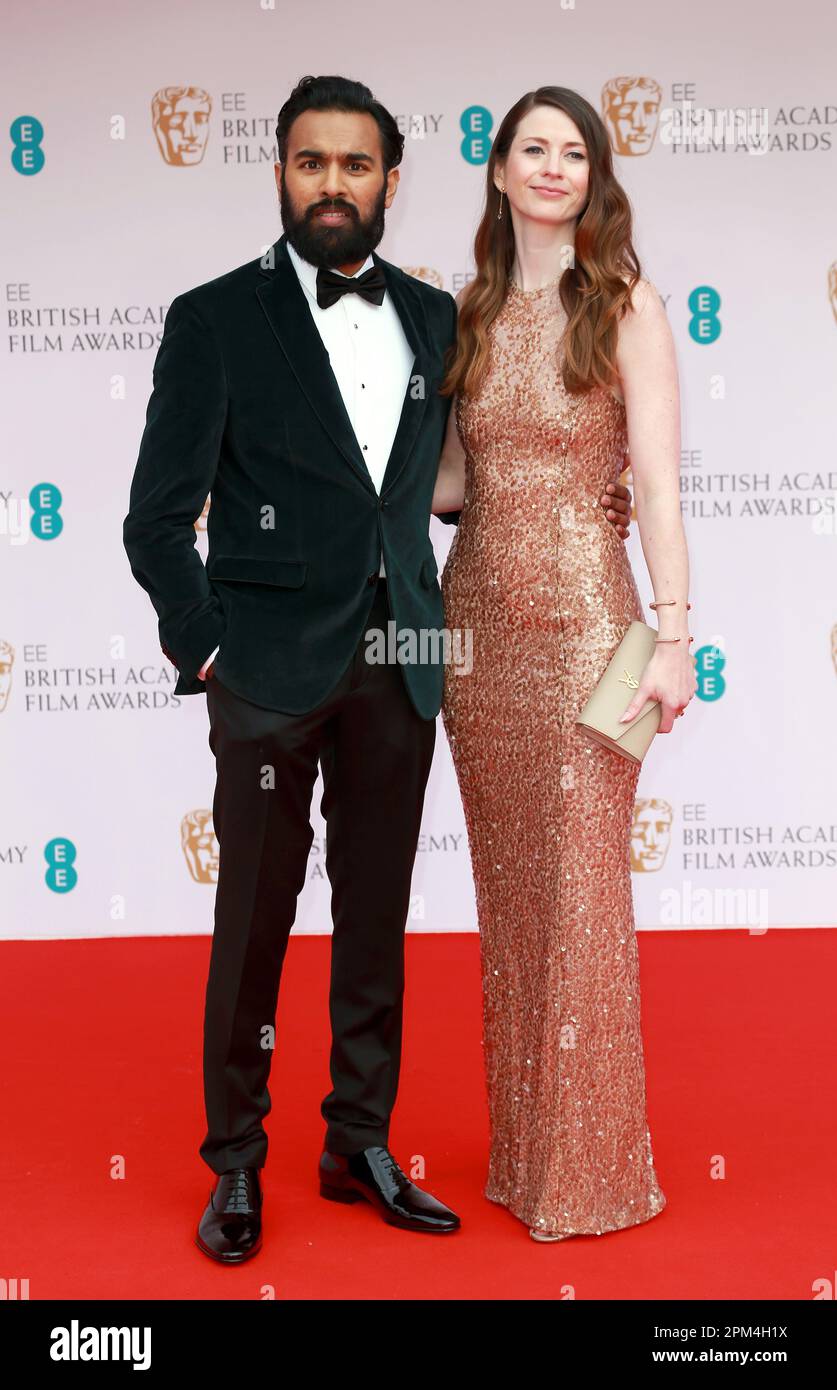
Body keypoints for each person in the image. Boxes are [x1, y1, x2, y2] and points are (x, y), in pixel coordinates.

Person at [123, 74, 633, 1263]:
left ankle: (358, 1140)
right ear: (283, 175)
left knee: (378, 916)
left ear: (391, 182)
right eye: (313, 164)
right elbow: (156, 519)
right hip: (264, 670)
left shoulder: (434, 315)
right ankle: (235, 1162)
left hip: (403, 656)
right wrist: (206, 645)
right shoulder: (214, 319)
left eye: (357, 166)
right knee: (252, 920)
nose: (335, 186)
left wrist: (588, 503)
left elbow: (467, 477)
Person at [432, 85, 696, 1241]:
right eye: (532, 149)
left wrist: (676, 633)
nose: (551, 167)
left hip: (594, 624)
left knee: (585, 895)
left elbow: (659, 484)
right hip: (478, 633)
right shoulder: (471, 309)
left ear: (595, 175)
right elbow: (447, 484)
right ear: (498, 171)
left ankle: (589, 1174)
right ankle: (525, 1154)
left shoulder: (626, 301)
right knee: (518, 900)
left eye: (572, 151)